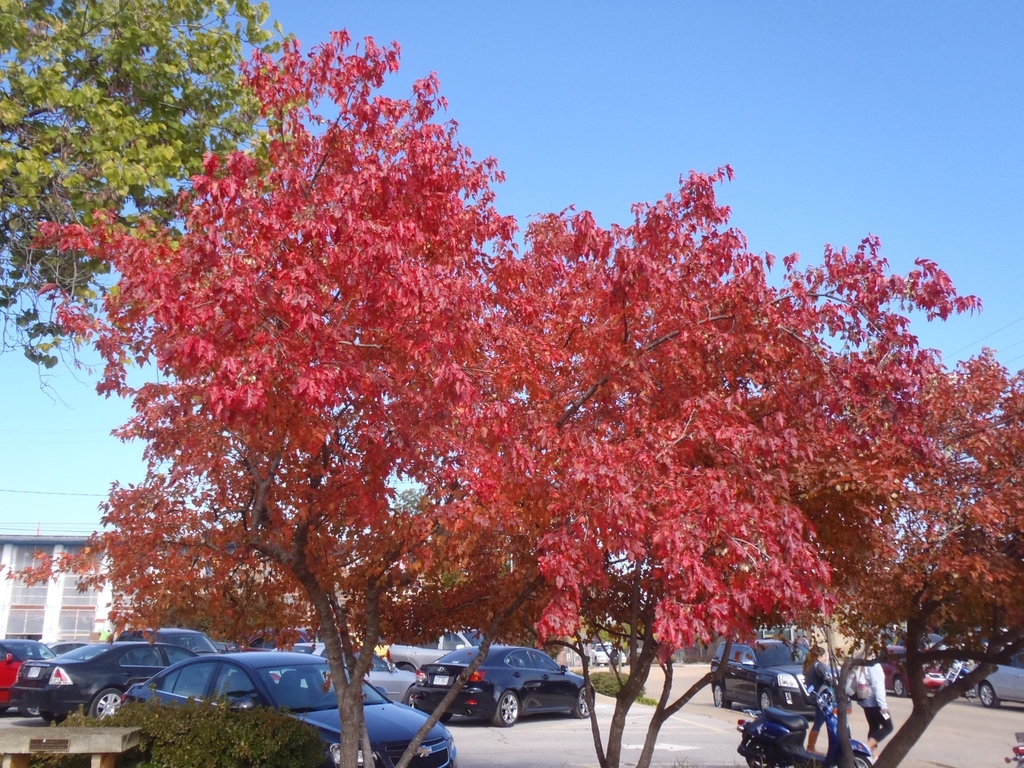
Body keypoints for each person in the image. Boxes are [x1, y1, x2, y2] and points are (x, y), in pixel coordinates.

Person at [856, 657, 893, 761]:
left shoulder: (864, 663)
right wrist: (883, 706)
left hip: (866, 702)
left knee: (874, 727)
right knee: (888, 727)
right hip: (875, 703)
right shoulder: (874, 666)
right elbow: (878, 686)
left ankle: (874, 756)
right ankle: (866, 747)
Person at [802, 645, 834, 755]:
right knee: (822, 722)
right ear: (819, 656)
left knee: (819, 722)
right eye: (825, 656)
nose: (826, 658)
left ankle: (810, 747)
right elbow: (829, 679)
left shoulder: (811, 666)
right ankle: (811, 748)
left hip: (817, 698)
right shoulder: (819, 666)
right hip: (822, 699)